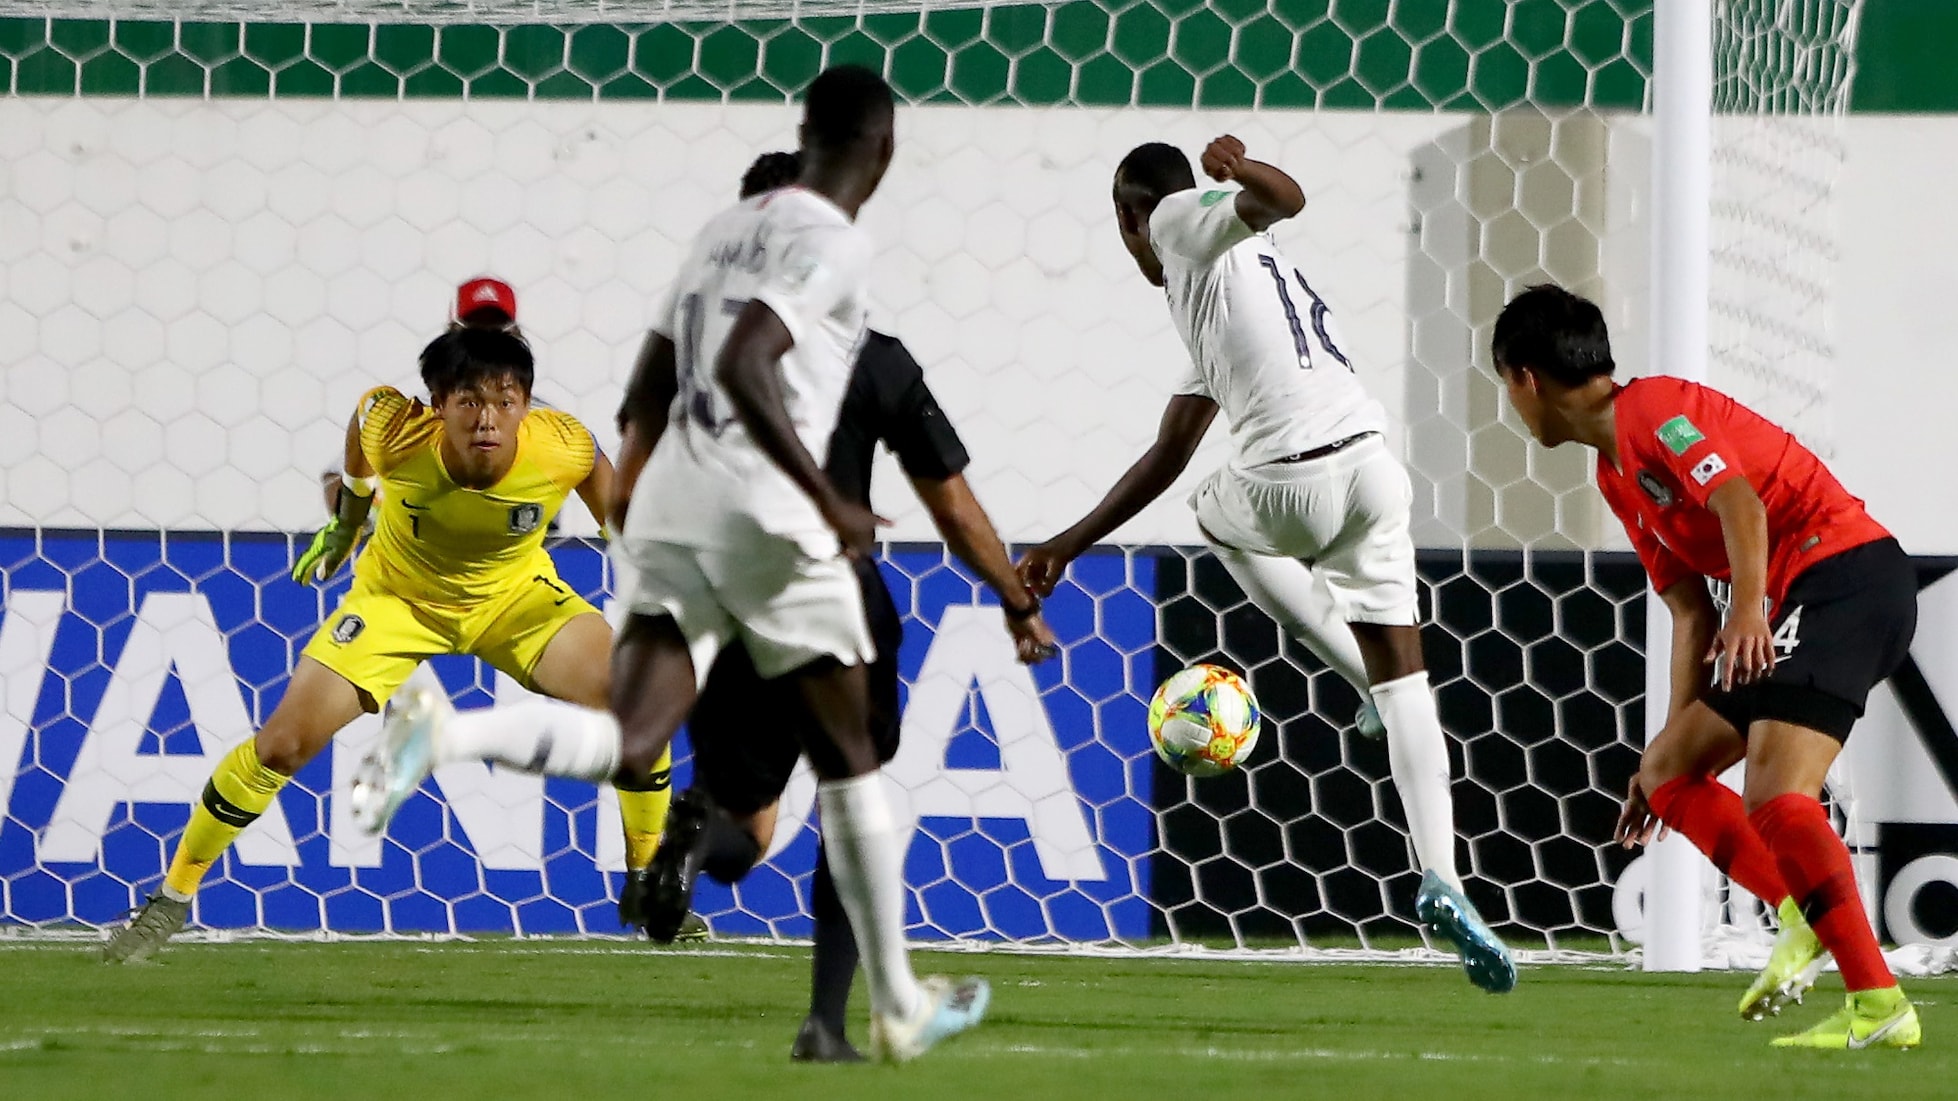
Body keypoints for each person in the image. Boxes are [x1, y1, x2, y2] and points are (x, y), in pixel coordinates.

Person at [354, 64, 991, 1064]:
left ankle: (447, 736)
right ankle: (896, 1004)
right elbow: (744, 366)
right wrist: (825, 498)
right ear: (882, 148)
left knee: (635, 728)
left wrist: (643, 512)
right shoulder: (833, 239)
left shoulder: (719, 233)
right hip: (771, 520)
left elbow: (644, 389)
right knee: (849, 761)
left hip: (674, 510)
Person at [1015, 135, 1516, 993]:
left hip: (1289, 480)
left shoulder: (1177, 223)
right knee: (1409, 693)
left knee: (1214, 509)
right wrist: (1070, 539)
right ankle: (1444, 877)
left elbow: (1285, 197)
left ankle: (1353, 676)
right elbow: (1166, 447)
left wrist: (1241, 172)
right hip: (1373, 475)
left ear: (1127, 217)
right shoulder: (1226, 290)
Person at [104, 278, 686, 961]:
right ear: (439, 405)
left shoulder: (564, 447)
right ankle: (168, 901)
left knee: (639, 706)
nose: (488, 419)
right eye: (469, 402)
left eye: (505, 401)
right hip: (396, 602)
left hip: (515, 600)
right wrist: (348, 519)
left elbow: (631, 528)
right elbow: (358, 435)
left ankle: (649, 883)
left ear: (527, 402)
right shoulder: (394, 429)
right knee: (282, 744)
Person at [628, 149, 1056, 1063]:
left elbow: (637, 447)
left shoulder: (696, 353)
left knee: (746, 823)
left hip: (722, 587)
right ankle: (827, 1020)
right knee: (847, 793)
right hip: (829, 594)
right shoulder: (873, 358)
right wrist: (1015, 599)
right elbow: (950, 503)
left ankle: (691, 852)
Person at [1491, 284, 1920, 1050]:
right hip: (1801, 596)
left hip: (1846, 576)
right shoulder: (1614, 474)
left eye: (1506, 389)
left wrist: (1750, 606)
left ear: (1525, 378)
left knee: (1776, 794)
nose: (1514, 409)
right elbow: (1690, 612)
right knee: (1669, 771)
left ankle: (1878, 999)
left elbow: (1739, 501)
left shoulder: (1653, 409)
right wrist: (1673, 732)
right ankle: (1802, 917)